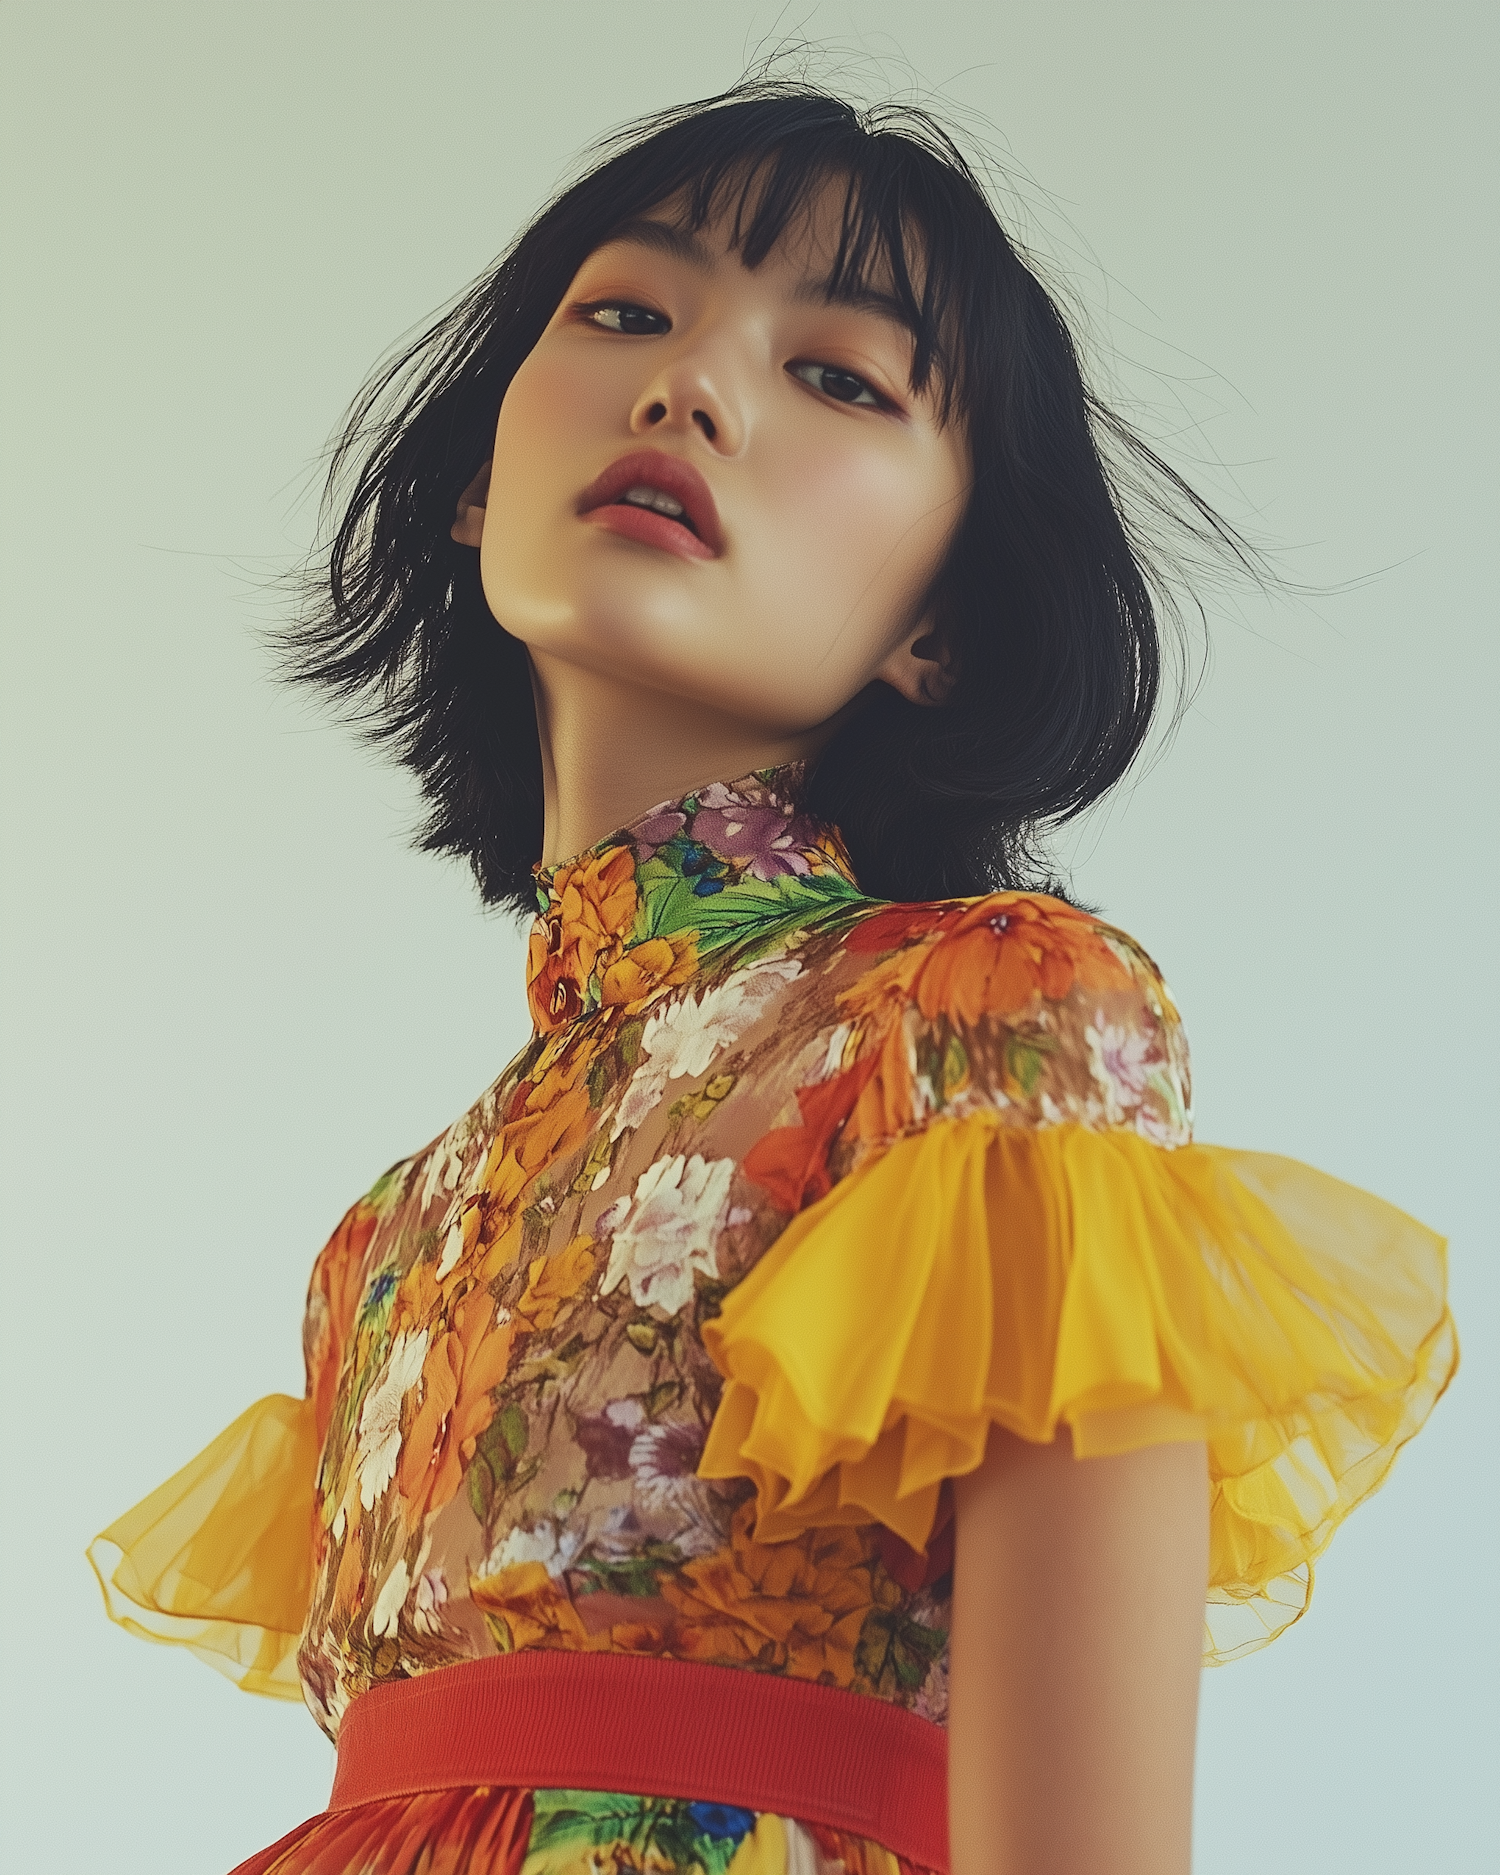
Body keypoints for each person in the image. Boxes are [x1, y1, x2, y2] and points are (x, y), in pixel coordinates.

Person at [89, 80, 1455, 1875]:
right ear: (473, 484)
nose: (688, 387)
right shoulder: (388, 1239)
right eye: (628, 314)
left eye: (841, 376)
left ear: (938, 627)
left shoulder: (985, 1023)